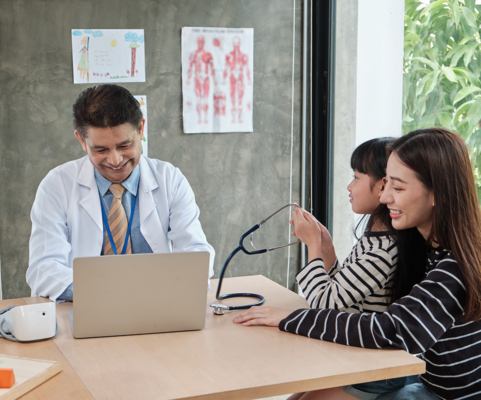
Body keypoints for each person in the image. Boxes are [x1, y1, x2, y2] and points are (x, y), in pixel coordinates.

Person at [234, 128, 481, 400]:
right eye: (386, 184)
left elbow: (390, 330)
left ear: (438, 194)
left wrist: (289, 318)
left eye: (397, 187)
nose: (385, 197)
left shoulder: (453, 267)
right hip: (428, 384)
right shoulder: (422, 247)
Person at [27, 84, 215, 302]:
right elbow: (43, 269)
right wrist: (112, 292)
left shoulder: (170, 179)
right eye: (100, 150)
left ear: (141, 129)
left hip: (158, 303)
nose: (115, 160)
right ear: (81, 140)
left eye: (125, 145)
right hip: (88, 304)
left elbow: (197, 254)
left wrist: (169, 286)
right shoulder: (57, 185)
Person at [294, 138, 398, 317]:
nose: (349, 187)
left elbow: (323, 304)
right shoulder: (375, 238)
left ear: (383, 185)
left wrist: (313, 245)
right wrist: (326, 249)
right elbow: (342, 294)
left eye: (356, 177)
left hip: (355, 343)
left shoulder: (383, 252)